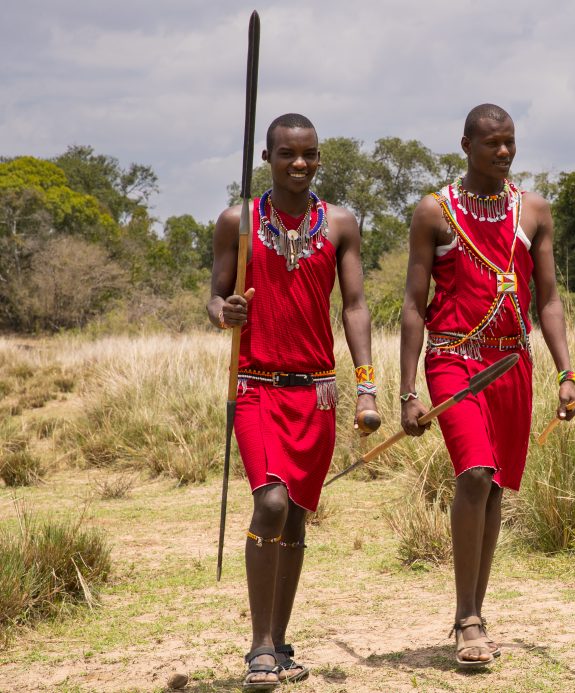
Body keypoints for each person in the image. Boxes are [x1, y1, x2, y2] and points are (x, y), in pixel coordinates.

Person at [399, 103, 575, 668]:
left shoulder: (534, 211)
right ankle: (467, 619)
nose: (503, 152)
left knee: (494, 486)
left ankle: (474, 610)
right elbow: (412, 304)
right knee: (474, 473)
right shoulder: (435, 212)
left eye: (510, 142)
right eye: (492, 143)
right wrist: (407, 391)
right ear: (465, 145)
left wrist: (566, 373)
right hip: (452, 358)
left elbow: (547, 300)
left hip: (512, 365)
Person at [208, 113, 379, 688]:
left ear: (319, 157)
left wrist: (367, 384)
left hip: (318, 392)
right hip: (256, 386)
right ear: (267, 156)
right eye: (286, 154)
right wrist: (224, 311)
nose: (298, 164)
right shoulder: (238, 222)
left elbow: (354, 306)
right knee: (273, 504)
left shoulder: (339, 224)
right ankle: (258, 647)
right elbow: (214, 298)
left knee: (299, 517)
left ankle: (280, 642)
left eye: (308, 154)